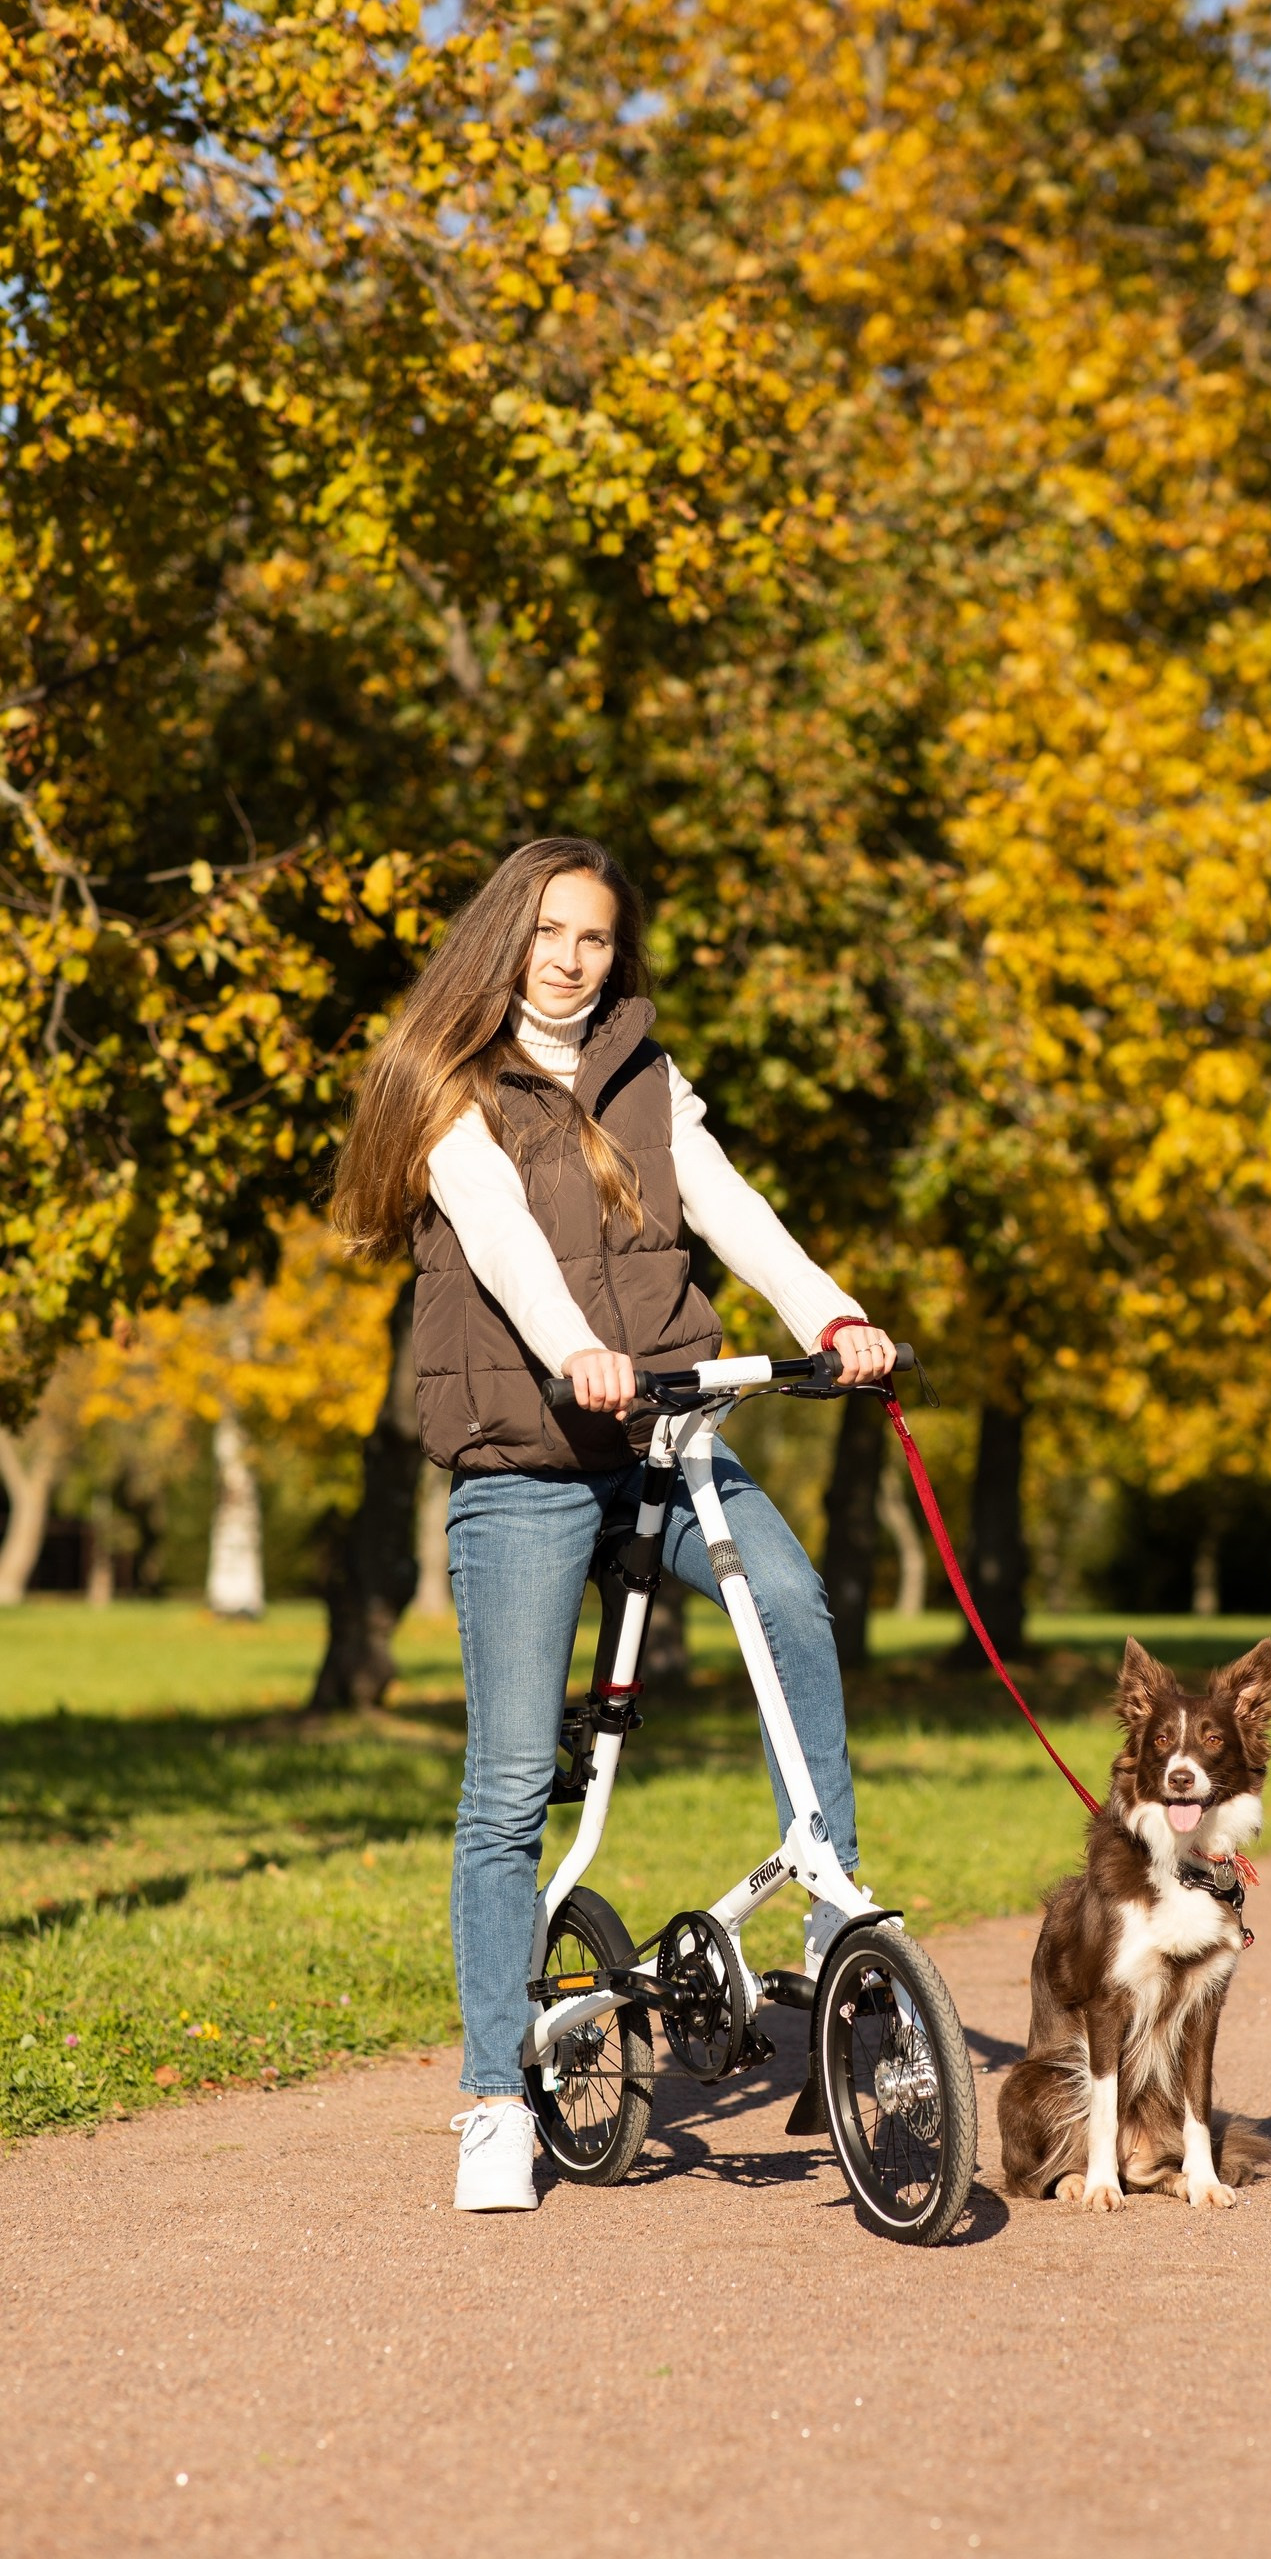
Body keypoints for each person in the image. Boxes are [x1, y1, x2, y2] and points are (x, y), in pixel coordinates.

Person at [333, 835, 895, 2211]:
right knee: (514, 1785)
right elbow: (507, 1240)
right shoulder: (447, 1086)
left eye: (594, 937)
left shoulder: (645, 1073)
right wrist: (583, 1349)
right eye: (548, 933)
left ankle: (834, 1914)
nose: (571, 958)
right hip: (524, 1463)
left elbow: (731, 1207)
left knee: (794, 1607)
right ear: (505, 939)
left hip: (667, 1437)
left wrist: (827, 1311)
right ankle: (488, 2093)